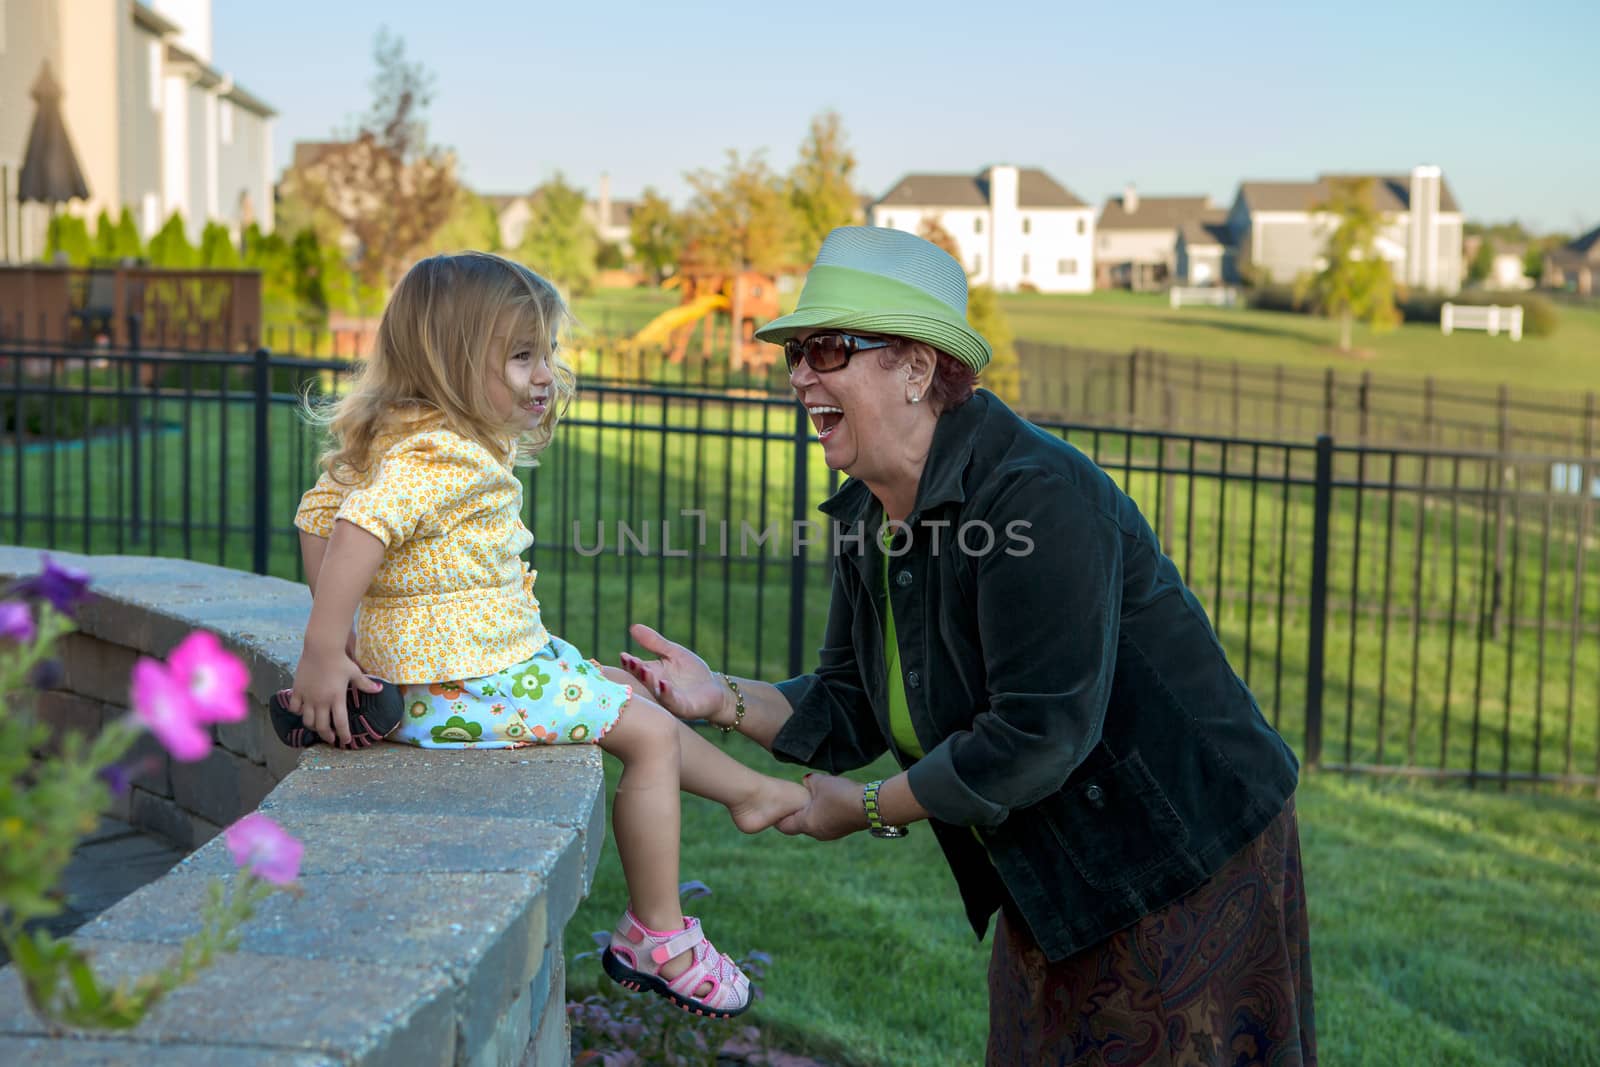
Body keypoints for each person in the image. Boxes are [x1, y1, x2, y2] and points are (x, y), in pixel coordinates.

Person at [618, 227, 1316, 1063]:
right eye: (797, 352)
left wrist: (871, 806)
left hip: (1183, 854)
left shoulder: (1037, 500)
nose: (801, 372)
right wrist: (718, 696)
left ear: (917, 369)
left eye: (830, 347)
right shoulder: (873, 512)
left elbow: (1037, 735)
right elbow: (848, 700)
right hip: (1056, 867)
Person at [280, 251, 807, 1019]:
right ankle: (656, 936)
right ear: (453, 361)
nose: (546, 374)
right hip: (458, 687)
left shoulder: (404, 439)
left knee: (612, 685)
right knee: (648, 740)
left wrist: (353, 638)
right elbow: (358, 523)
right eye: (523, 355)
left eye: (548, 353)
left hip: (462, 672)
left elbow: (319, 512)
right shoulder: (447, 453)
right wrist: (326, 650)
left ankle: (750, 793)